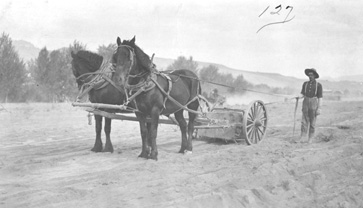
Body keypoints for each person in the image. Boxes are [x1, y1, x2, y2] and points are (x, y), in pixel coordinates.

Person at [297, 68, 323, 143]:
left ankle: (310, 138)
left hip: (314, 103)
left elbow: (320, 97)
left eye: (311, 75)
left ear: (315, 75)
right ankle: (302, 137)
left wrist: (319, 108)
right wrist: (299, 96)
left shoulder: (319, 85)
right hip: (305, 103)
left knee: (312, 122)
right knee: (304, 121)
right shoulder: (305, 84)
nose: (310, 76)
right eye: (309, 75)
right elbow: (302, 94)